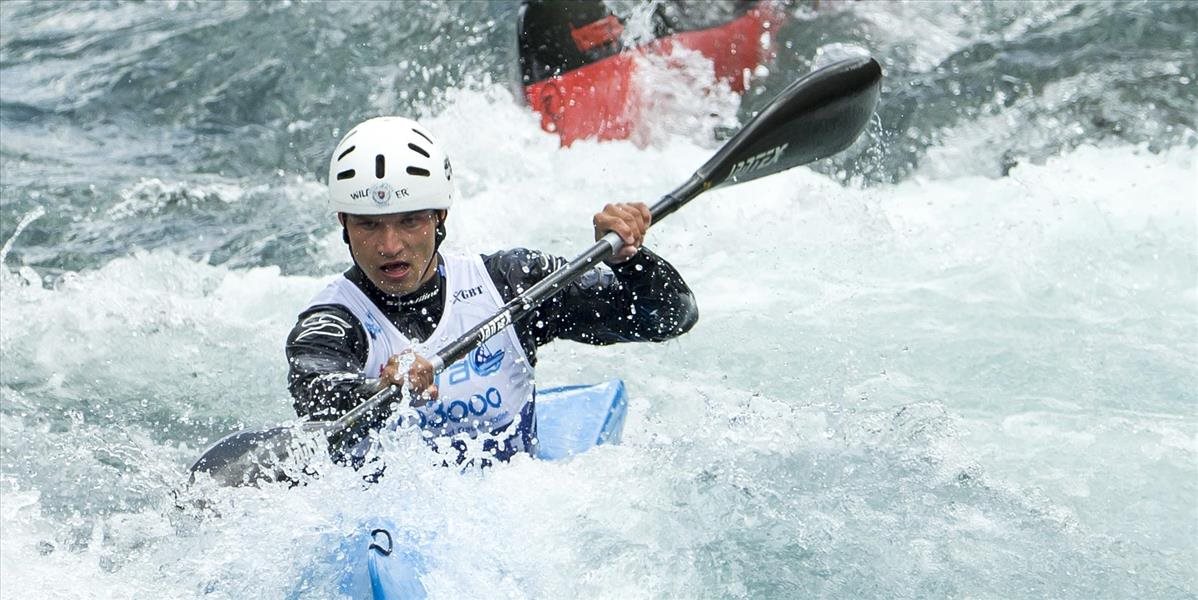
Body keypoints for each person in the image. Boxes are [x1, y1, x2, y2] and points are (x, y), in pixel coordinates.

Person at [286, 116, 698, 465]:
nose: (390, 245)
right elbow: (317, 399)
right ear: (343, 222)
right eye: (369, 224)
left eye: (410, 221)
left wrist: (631, 262)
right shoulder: (331, 320)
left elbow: (668, 318)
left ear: (440, 216)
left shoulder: (509, 282)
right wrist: (380, 389)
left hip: (512, 509)